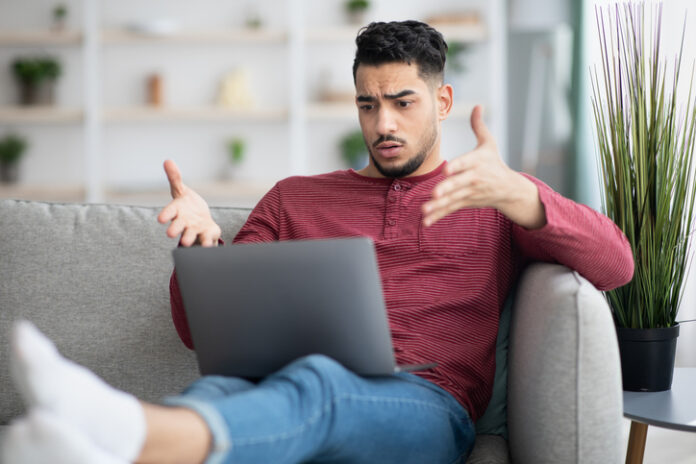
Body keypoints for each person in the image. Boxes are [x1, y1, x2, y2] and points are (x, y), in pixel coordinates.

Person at [2, 20, 634, 464]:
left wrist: (525, 197)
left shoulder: (491, 194)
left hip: (428, 410)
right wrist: (196, 251)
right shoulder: (294, 198)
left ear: (442, 101)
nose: (383, 123)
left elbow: (616, 265)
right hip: (277, 388)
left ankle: (121, 434)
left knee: (319, 384)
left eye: (402, 102)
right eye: (368, 104)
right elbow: (203, 334)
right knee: (215, 393)